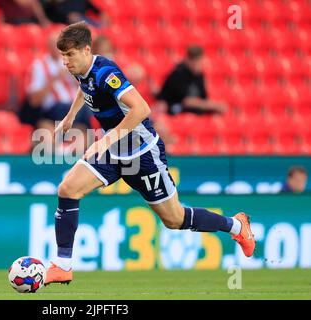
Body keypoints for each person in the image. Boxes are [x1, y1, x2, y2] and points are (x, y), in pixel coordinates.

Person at [45, 22, 255, 285]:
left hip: (143, 153)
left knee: (175, 219)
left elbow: (142, 109)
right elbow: (83, 87)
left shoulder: (106, 73)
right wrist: (70, 116)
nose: (65, 61)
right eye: (63, 55)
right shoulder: (82, 70)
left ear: (86, 50)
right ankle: (63, 265)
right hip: (114, 150)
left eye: (70, 55)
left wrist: (105, 139)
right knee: (67, 189)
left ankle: (236, 226)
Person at [23, 30, 91, 153]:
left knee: (88, 127)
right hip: (53, 112)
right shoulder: (39, 65)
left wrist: (76, 78)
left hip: (76, 113)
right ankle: (60, 152)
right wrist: (54, 79)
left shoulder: (74, 63)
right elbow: (34, 100)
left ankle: (69, 154)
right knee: (51, 126)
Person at [155, 45, 227, 115]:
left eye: (200, 61)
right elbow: (187, 102)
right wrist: (214, 106)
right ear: (188, 60)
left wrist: (213, 106)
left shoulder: (199, 75)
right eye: (196, 61)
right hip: (173, 110)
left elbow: (203, 98)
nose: (199, 65)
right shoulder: (178, 74)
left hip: (193, 114)